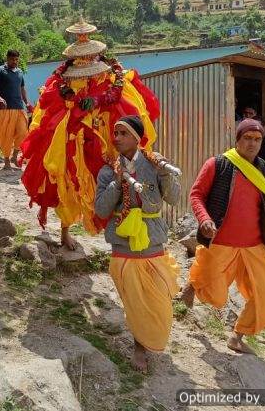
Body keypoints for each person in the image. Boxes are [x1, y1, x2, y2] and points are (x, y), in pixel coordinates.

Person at [20, 18, 160, 250]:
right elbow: (49, 104)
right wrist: (72, 108)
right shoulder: (61, 81)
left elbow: (119, 102)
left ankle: (121, 228)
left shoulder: (112, 78)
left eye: (89, 58)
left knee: (114, 179)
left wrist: (97, 103)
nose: (86, 62)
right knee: (65, 182)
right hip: (69, 140)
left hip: (104, 137)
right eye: (81, 58)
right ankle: (65, 231)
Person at [181, 118, 265, 354]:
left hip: (254, 246)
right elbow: (196, 195)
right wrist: (205, 219)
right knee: (216, 297)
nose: (252, 144)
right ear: (238, 140)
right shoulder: (218, 164)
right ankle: (193, 283)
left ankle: (237, 336)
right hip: (220, 243)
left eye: (257, 139)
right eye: (247, 139)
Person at [94, 116, 181, 372]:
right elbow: (101, 209)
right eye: (115, 133)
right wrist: (117, 184)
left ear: (136, 138)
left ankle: (151, 337)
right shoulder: (108, 170)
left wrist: (166, 173)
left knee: (160, 299)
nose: (117, 138)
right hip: (123, 244)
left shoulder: (155, 164)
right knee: (135, 301)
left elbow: (174, 199)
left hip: (153, 239)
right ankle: (139, 346)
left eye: (123, 133)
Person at [0, 50, 30, 171]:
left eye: (16, 60)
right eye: (12, 59)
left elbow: (22, 88)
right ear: (7, 58)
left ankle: (14, 155)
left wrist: (27, 102)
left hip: (19, 107)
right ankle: (6, 160)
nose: (15, 62)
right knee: (6, 136)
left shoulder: (19, 72)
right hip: (5, 109)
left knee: (23, 133)